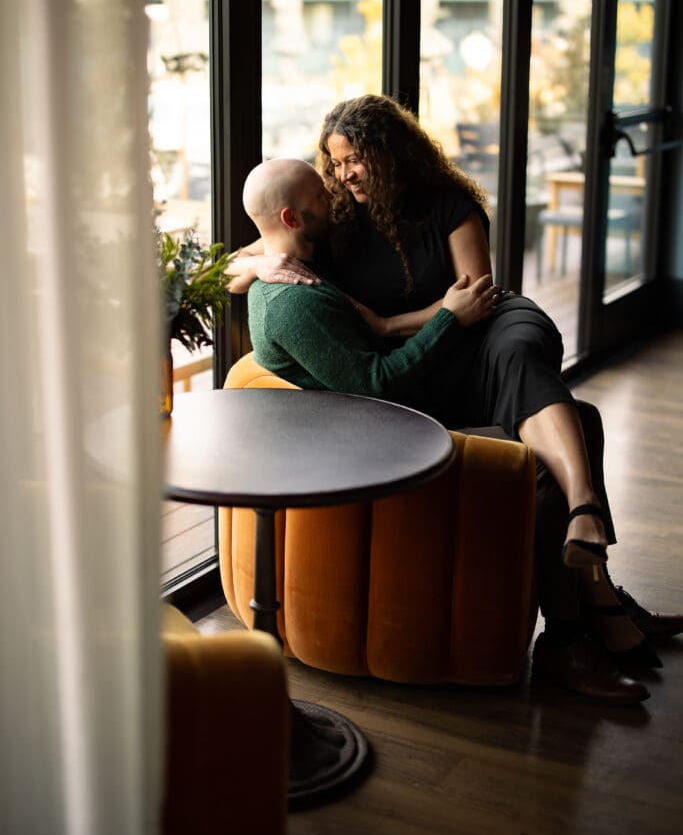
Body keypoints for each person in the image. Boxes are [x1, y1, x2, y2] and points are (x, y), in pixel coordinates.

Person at [239, 154, 683, 705]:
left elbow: (261, 245)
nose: (332, 192)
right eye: (319, 190)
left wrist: (256, 260)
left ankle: (598, 598)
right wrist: (449, 318)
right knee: (545, 458)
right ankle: (567, 638)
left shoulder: (293, 266)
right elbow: (380, 386)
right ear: (293, 218)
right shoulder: (292, 301)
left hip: (401, 408)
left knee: (580, 418)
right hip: (392, 435)